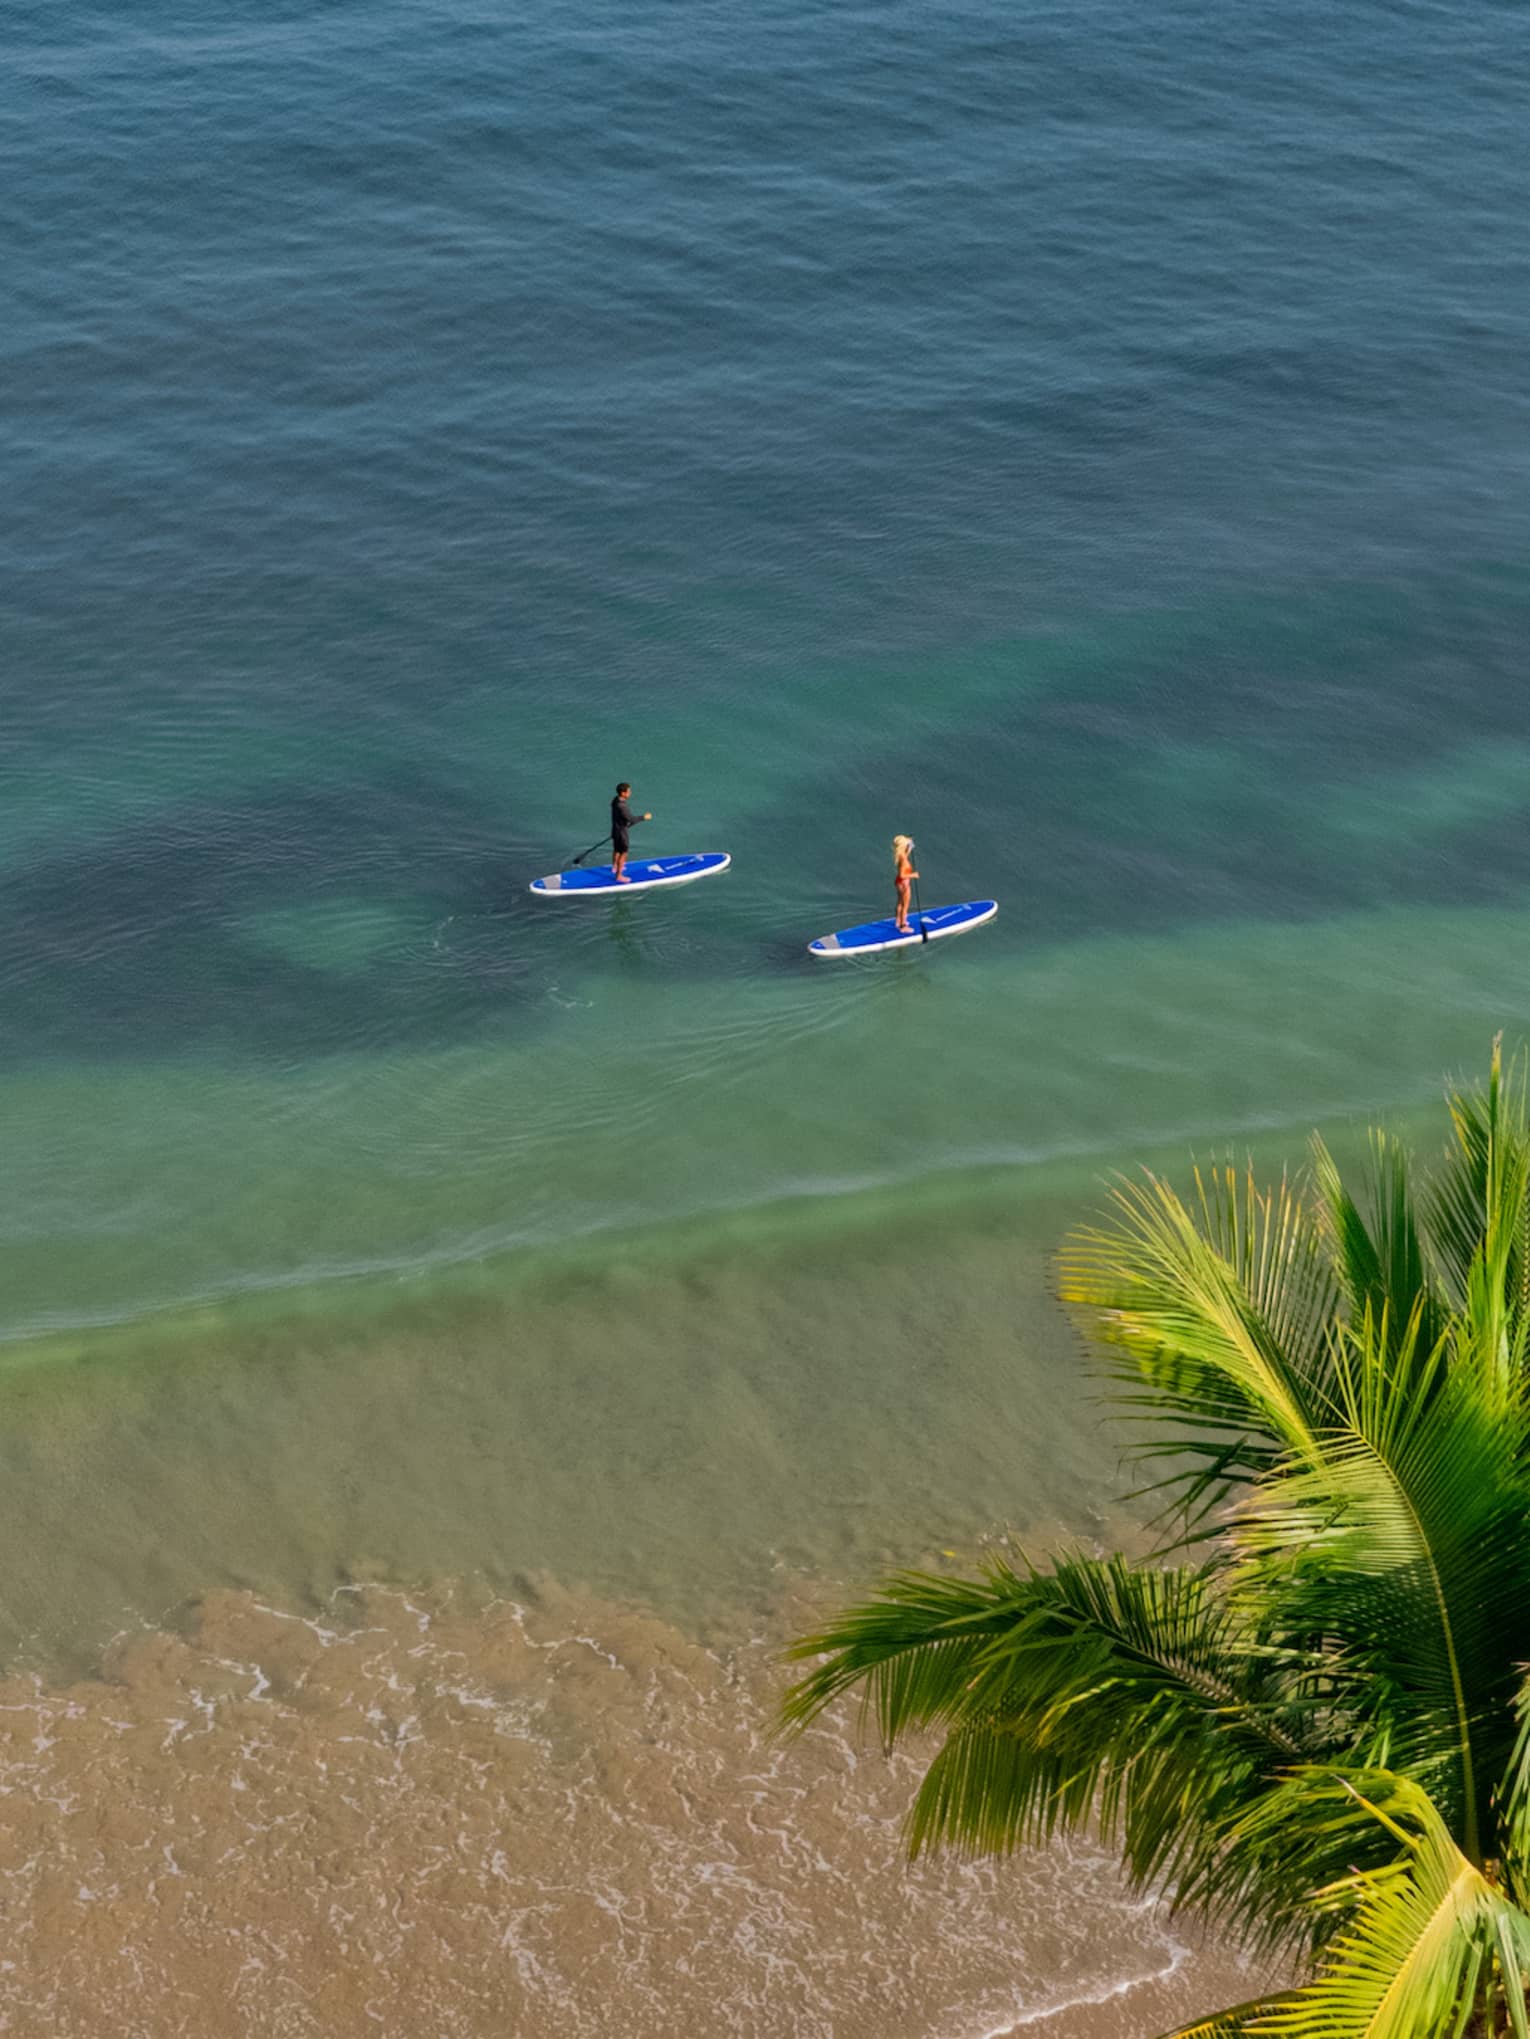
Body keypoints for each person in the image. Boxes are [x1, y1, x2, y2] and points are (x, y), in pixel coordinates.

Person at [610, 782, 652, 882]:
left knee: (616, 850)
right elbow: (630, 819)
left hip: (615, 830)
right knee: (623, 853)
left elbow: (623, 818)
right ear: (623, 793)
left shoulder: (615, 801)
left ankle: (615, 867)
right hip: (621, 833)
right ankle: (619, 876)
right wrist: (644, 817)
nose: (630, 793)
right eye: (629, 791)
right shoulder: (622, 806)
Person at [892, 833, 918, 932]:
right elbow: (903, 875)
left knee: (899, 902)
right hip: (904, 883)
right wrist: (913, 875)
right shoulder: (902, 859)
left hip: (898, 882)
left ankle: (898, 921)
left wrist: (910, 847)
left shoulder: (900, 855)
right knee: (905, 905)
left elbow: (905, 855)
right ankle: (903, 926)